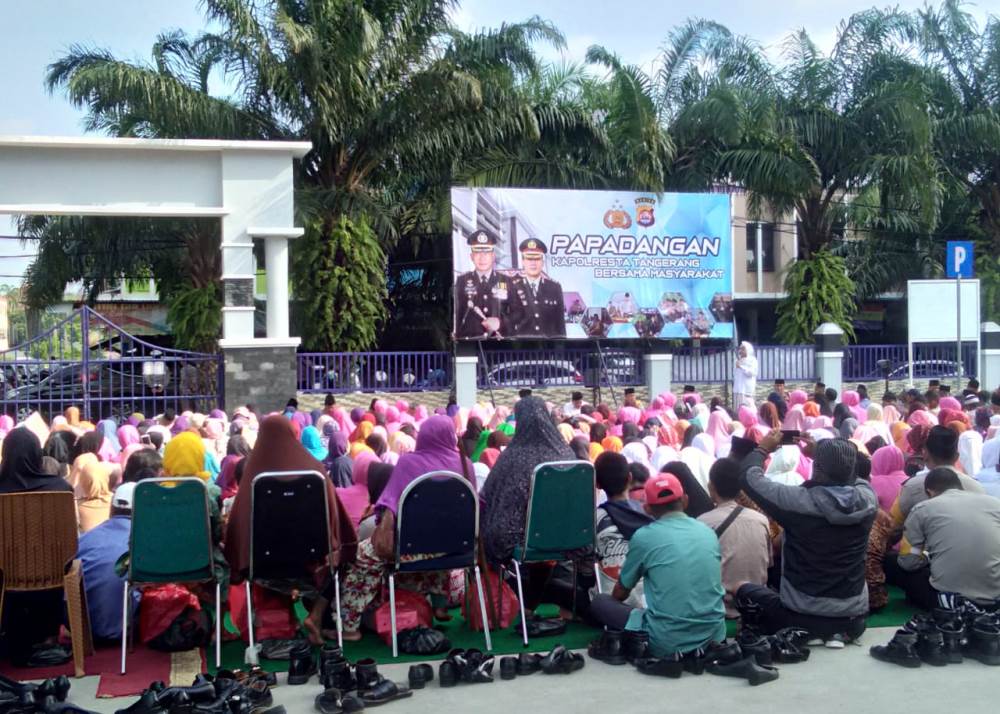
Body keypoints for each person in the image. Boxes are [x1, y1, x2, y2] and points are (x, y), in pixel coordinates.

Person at [226, 415, 357, 645]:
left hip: (263, 564)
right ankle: (315, 615)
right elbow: (337, 523)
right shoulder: (314, 471)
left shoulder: (253, 474)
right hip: (311, 561)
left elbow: (238, 526)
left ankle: (283, 621)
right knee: (340, 559)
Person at [736, 430, 877, 641]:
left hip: (801, 617)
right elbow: (851, 476)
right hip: (853, 619)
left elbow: (748, 476)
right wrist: (821, 457)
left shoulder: (796, 501)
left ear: (817, 468)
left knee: (744, 590)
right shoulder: (868, 500)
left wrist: (763, 448)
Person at [339, 415, 471, 641]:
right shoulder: (464, 464)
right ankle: (436, 605)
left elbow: (389, 504)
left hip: (411, 548)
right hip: (456, 548)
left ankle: (350, 627)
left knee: (362, 555)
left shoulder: (409, 463)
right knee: (432, 539)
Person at [589, 472, 726, 658]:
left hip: (666, 642)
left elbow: (622, 591)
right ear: (685, 501)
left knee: (600, 602)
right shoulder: (707, 532)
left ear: (647, 509)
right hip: (714, 636)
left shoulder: (645, 537)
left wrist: (616, 607)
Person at [0, 428, 73, 667]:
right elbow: (72, 542)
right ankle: (48, 637)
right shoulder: (59, 488)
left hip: (4, 582)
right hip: (52, 581)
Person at [885, 468, 1000, 610]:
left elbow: (909, 563)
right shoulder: (995, 504)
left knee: (890, 562)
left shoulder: (923, 508)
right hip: (994, 596)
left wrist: (927, 557)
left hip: (944, 598)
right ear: (960, 487)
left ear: (929, 492)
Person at [697, 458, 771, 618]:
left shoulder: (703, 523)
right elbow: (767, 564)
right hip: (755, 609)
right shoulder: (761, 521)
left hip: (717, 612)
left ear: (711, 487)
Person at [891, 426, 986, 528]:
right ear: (956, 457)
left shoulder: (912, 487)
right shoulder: (977, 487)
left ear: (925, 454)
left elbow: (892, 525)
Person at [76, 482, 138, 641]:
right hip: (127, 628)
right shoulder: (145, 541)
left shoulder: (85, 539)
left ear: (112, 508)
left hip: (82, 629)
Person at [592, 452, 653, 602]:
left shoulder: (593, 518)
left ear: (597, 484)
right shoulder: (650, 515)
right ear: (630, 478)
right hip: (650, 602)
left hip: (611, 604)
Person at [454, 229, 511, 338]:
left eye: (486, 252)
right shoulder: (462, 281)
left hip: (499, 343)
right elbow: (457, 314)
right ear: (471, 257)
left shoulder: (506, 281)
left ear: (493, 256)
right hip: (470, 342)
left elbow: (517, 313)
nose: (482, 257)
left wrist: (500, 323)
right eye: (477, 252)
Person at [508, 238, 566, 337]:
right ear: (523, 261)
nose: (533, 263)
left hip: (548, 349)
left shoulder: (555, 288)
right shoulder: (512, 287)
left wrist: (560, 351)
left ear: (542, 262)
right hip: (520, 349)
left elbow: (560, 326)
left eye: (537, 258)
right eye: (529, 258)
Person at [733, 341, 758, 408]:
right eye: (740, 349)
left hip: (747, 391)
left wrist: (741, 367)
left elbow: (751, 373)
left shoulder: (752, 360)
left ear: (748, 350)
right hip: (738, 390)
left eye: (743, 349)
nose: (740, 351)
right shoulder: (739, 361)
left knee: (748, 410)